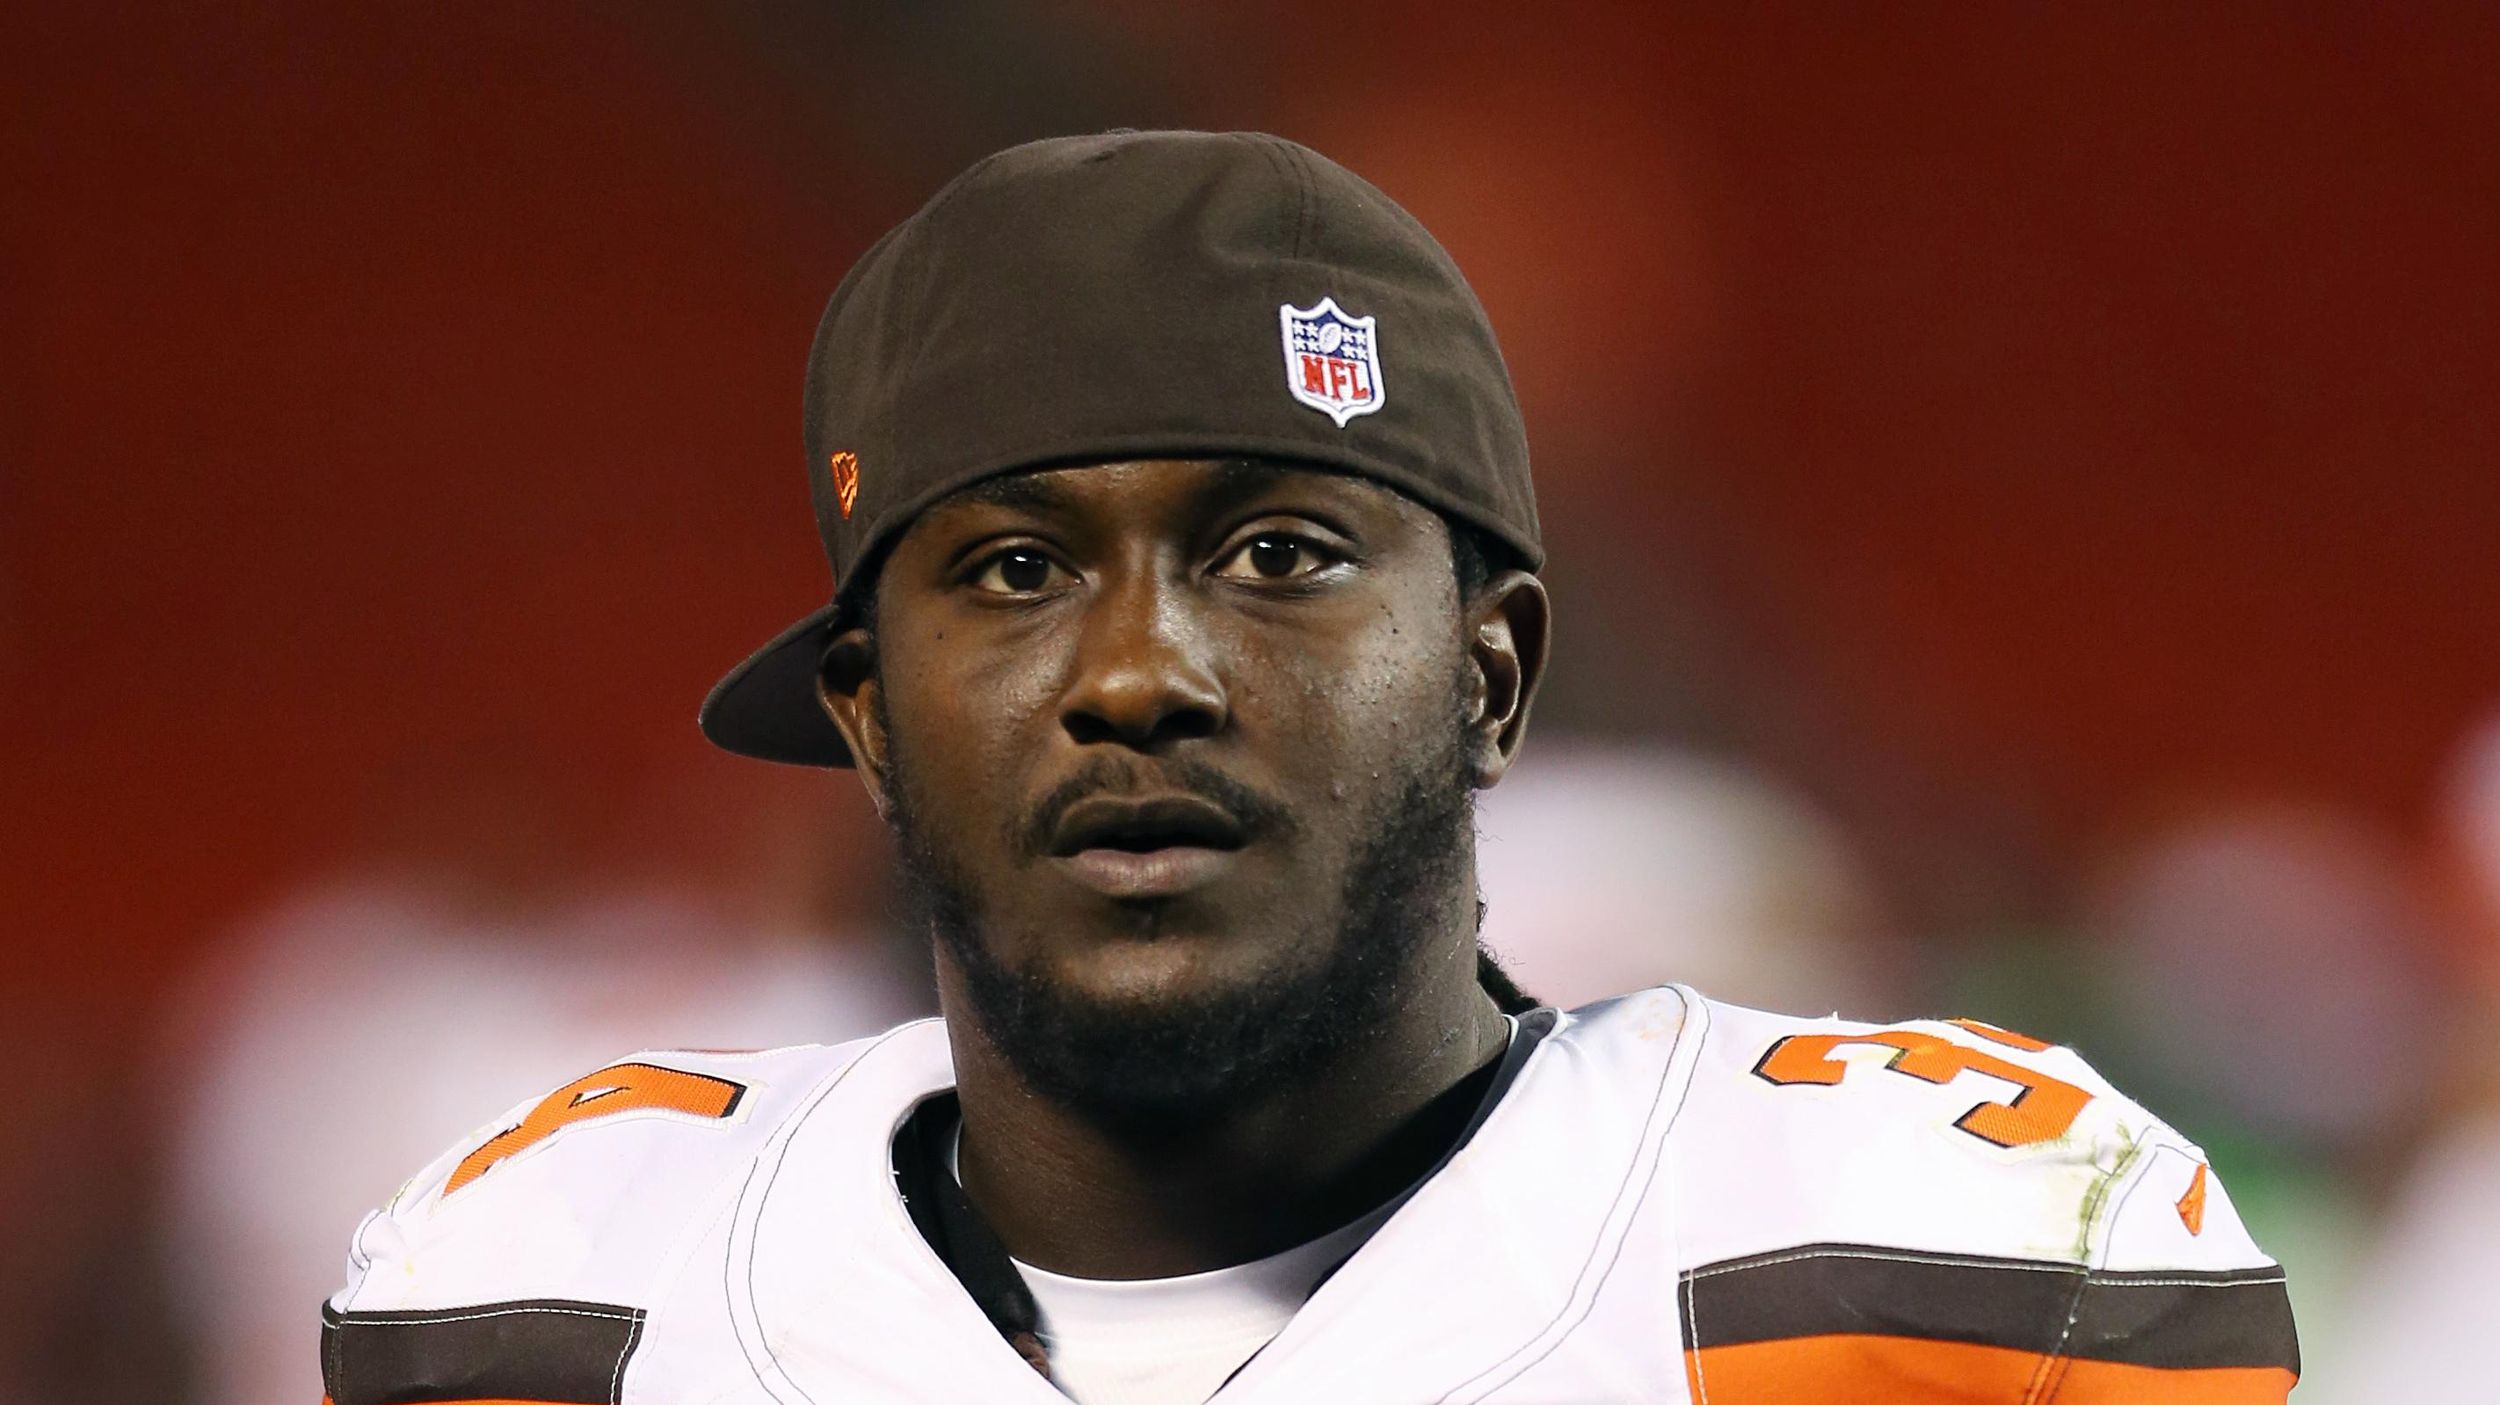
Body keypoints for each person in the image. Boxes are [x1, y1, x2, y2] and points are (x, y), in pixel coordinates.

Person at [319, 131, 2298, 1404]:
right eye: (1010, 570)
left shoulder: (1917, 1266)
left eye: (1277, 555)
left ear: (1489, 669)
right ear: (860, 712)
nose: (1134, 676)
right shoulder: (560, 1286)